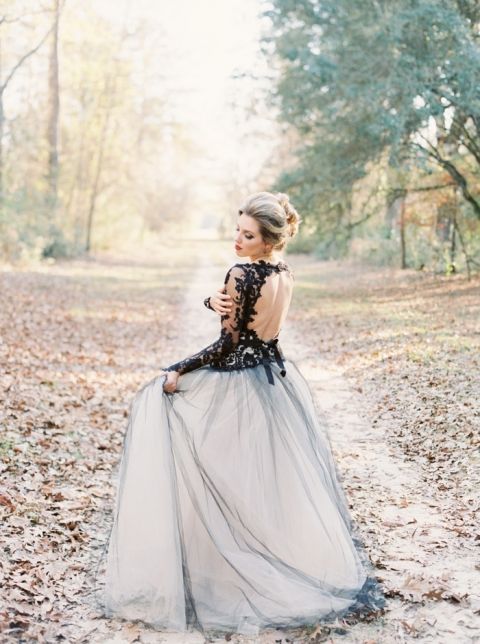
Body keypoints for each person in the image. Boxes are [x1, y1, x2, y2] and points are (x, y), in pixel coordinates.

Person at [99, 191, 384, 637]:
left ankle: (228, 576)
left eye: (247, 234)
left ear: (268, 239)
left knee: (220, 480)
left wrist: (178, 368)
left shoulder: (241, 275)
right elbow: (261, 335)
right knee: (260, 483)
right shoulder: (284, 273)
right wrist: (213, 304)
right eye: (238, 230)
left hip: (236, 386)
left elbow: (228, 345)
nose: (238, 239)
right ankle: (267, 563)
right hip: (273, 381)